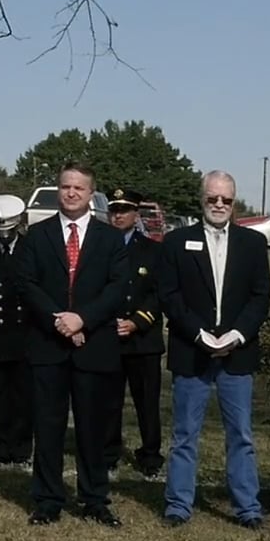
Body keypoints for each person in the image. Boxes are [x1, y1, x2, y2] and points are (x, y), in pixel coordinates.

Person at [16, 162, 131, 527]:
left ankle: (95, 498)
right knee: (47, 426)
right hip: (47, 346)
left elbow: (116, 288)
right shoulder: (37, 235)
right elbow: (27, 284)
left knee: (92, 428)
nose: (71, 194)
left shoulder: (110, 239)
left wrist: (82, 319)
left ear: (91, 193)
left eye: (79, 188)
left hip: (94, 345)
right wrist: (60, 321)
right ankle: (48, 499)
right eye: (66, 187)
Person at [156, 170, 270, 529]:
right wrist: (199, 335)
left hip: (237, 354)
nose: (219, 205)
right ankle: (178, 504)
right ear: (201, 200)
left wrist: (237, 334)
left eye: (226, 200)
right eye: (212, 199)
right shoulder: (177, 242)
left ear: (234, 202)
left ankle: (247, 508)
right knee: (184, 434)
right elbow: (169, 296)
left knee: (240, 434)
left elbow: (260, 296)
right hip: (192, 352)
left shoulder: (252, 243)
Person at [103, 187, 166, 479]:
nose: (118, 216)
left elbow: (160, 293)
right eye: (114, 210)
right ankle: (108, 453)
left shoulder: (153, 250)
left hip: (144, 339)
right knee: (109, 401)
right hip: (109, 336)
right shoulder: (98, 247)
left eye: (124, 211)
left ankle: (151, 456)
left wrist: (138, 322)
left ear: (135, 214)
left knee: (147, 402)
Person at [0, 193, 34, 469]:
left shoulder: (30, 249)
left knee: (23, 396)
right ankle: (1, 447)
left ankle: (23, 449)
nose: (4, 236)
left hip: (23, 334)